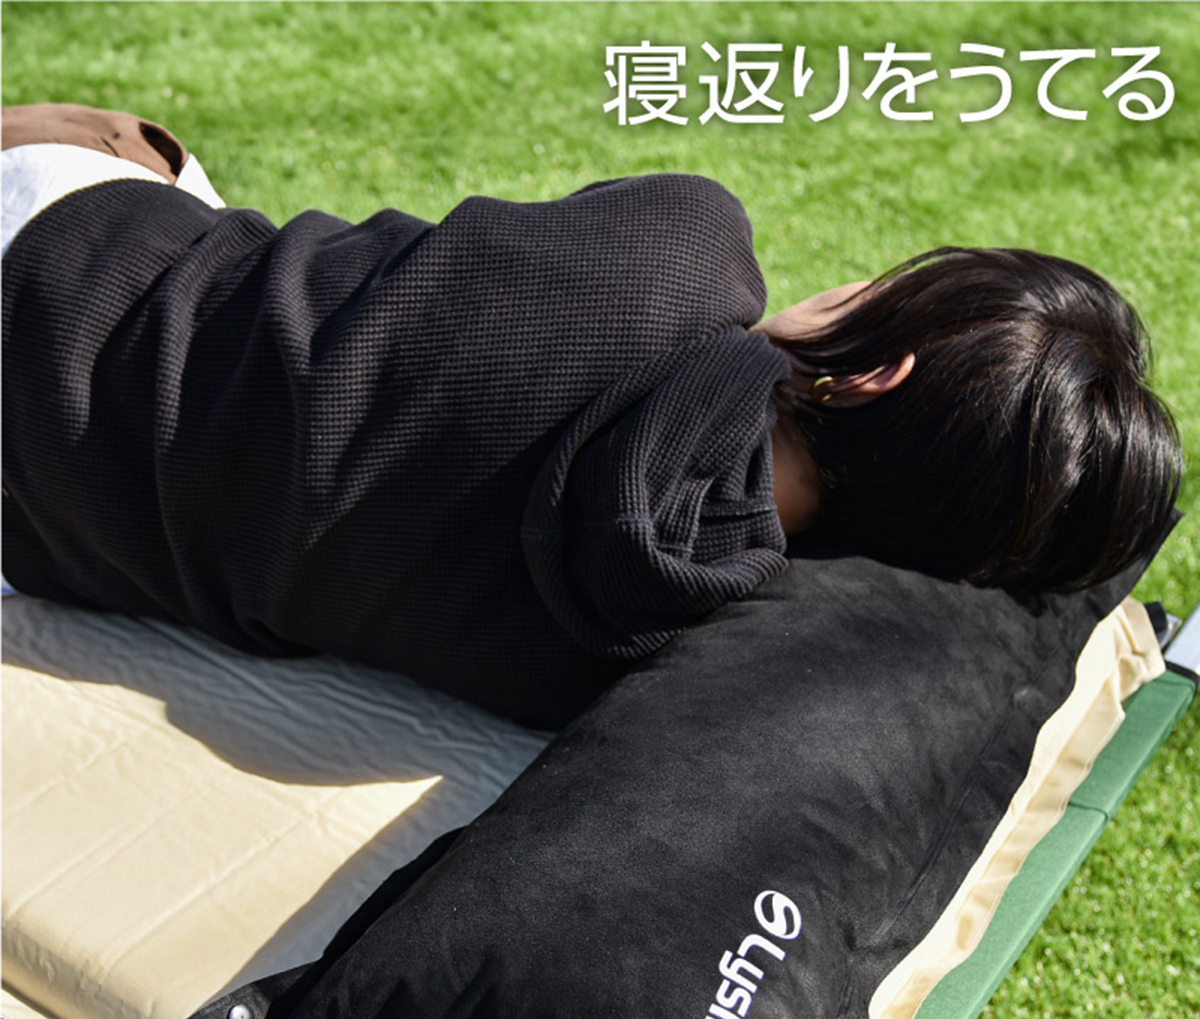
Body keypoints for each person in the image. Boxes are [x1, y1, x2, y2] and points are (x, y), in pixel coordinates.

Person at [1, 105, 1182, 727]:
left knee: (133, 153)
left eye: (892, 291)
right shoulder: (655, 653)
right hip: (36, 539)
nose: (859, 281)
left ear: (879, 377)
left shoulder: (682, 248)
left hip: (56, 260)